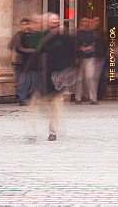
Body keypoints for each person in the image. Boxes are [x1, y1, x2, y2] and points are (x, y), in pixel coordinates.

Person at [33, 13, 76, 141]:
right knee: (45, 104)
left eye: (55, 22)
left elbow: (72, 53)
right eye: (50, 22)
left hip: (61, 75)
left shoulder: (66, 37)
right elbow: (38, 50)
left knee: (57, 103)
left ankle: (53, 131)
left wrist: (71, 70)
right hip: (47, 75)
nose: (53, 24)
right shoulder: (45, 36)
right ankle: (48, 127)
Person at [74, 17, 104, 104]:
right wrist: (80, 48)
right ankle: (78, 97)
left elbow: (98, 44)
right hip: (80, 57)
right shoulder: (78, 33)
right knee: (79, 78)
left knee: (90, 77)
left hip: (90, 57)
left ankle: (93, 98)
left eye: (87, 21)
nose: (86, 23)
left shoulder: (93, 33)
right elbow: (74, 45)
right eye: (84, 21)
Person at [8, 17, 37, 105]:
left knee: (34, 81)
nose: (24, 26)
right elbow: (12, 46)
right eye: (22, 25)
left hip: (33, 61)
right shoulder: (18, 35)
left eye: (26, 24)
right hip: (21, 61)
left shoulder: (34, 34)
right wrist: (26, 50)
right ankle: (22, 99)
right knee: (22, 81)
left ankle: (32, 98)